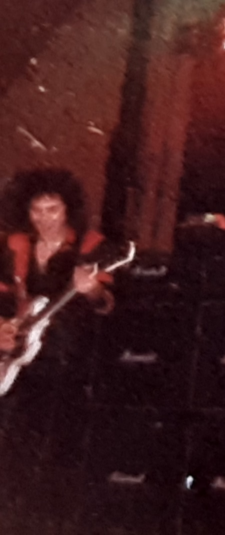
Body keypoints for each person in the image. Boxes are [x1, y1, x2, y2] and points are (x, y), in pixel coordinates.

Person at [0, 167, 116, 531]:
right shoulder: (15, 245)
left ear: (68, 209)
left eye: (53, 209)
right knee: (11, 451)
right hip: (17, 363)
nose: (44, 218)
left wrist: (91, 290)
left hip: (68, 361)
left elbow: (107, 304)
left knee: (55, 454)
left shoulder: (90, 245)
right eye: (36, 210)